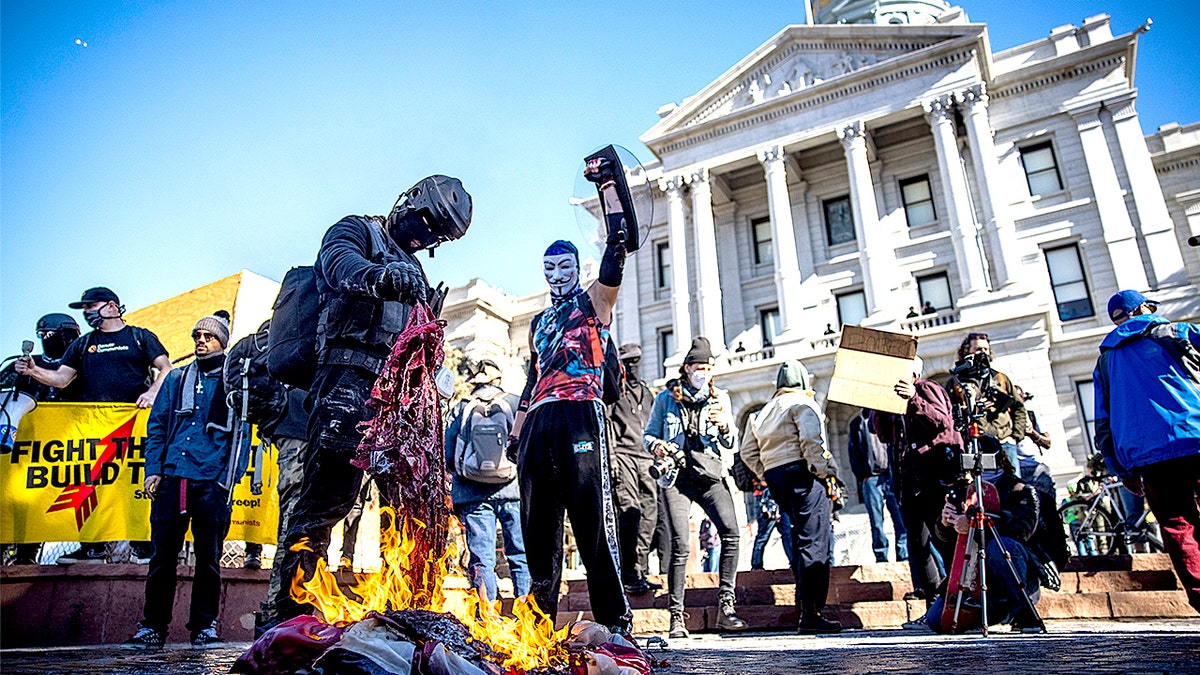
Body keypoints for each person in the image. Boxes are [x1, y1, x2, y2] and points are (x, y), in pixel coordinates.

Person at [273, 176, 472, 623]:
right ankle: (289, 619)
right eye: (426, 222)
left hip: (401, 401)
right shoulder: (357, 231)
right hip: (347, 384)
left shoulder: (417, 271)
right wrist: (377, 275)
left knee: (410, 515)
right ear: (410, 201)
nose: (426, 236)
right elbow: (338, 266)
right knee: (324, 504)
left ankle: (408, 619)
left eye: (438, 235)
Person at [509, 234, 633, 633]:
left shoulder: (593, 302)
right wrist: (517, 431)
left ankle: (616, 622)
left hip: (580, 410)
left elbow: (613, 268)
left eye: (565, 267)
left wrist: (613, 214)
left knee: (591, 517)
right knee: (537, 526)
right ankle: (538, 628)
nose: (557, 275)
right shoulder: (538, 322)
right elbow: (533, 378)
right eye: (549, 269)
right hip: (540, 421)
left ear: (578, 268)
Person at [16, 286, 172, 565]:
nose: (87, 313)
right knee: (91, 484)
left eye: (91, 306)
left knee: (133, 484)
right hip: (94, 428)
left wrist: (152, 393)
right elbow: (63, 379)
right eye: (84, 309)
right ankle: (92, 548)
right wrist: (33, 371)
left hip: (133, 426)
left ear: (112, 306)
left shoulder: (140, 337)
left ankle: (144, 548)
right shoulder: (82, 343)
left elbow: (166, 369)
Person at [126, 315, 239, 647]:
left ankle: (204, 627)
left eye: (209, 336)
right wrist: (153, 470)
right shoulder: (176, 379)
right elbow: (157, 426)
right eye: (197, 335)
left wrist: (225, 483)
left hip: (212, 481)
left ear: (223, 342)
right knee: (162, 558)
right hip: (174, 478)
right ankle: (153, 627)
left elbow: (241, 437)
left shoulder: (233, 382)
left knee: (208, 559)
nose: (201, 340)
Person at [1094, 289, 1200, 614]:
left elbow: (1104, 422)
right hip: (1195, 437)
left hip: (1147, 457)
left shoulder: (1105, 360)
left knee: (1177, 527)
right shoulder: (1176, 332)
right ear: (1142, 308)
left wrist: (1120, 469)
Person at [645, 337, 748, 638]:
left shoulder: (720, 399)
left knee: (731, 532)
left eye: (708, 368)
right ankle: (676, 616)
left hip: (709, 473)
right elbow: (649, 435)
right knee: (680, 544)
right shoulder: (666, 398)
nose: (703, 373)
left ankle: (726, 608)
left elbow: (731, 443)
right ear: (687, 368)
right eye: (698, 367)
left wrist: (725, 426)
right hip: (675, 477)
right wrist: (658, 446)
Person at [741, 360, 843, 633]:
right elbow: (812, 443)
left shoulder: (761, 413)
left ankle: (804, 609)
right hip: (803, 474)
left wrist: (765, 472)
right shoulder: (802, 403)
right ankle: (812, 613)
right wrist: (823, 471)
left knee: (798, 541)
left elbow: (747, 452)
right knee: (815, 542)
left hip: (777, 478)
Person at [871, 356, 960, 607]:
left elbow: (943, 422)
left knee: (942, 538)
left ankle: (958, 598)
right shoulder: (894, 400)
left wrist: (914, 398)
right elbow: (884, 435)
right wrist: (879, 406)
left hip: (932, 480)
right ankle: (932, 601)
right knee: (918, 544)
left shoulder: (927, 389)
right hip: (907, 483)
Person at [926, 448, 1042, 632]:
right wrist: (945, 524)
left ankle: (1023, 611)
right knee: (936, 620)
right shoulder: (964, 491)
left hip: (1012, 573)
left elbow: (1021, 532)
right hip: (975, 578)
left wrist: (975, 526)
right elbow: (946, 545)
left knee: (1000, 546)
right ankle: (982, 612)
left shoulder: (1020, 490)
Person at [0, 313, 82, 565]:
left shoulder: (83, 366)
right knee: (12, 502)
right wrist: (16, 376)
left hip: (61, 449)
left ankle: (27, 556)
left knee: (44, 502)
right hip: (18, 449)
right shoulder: (22, 364)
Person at [445, 359, 529, 604]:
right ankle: (525, 611)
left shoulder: (462, 406)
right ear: (498, 380)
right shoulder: (515, 403)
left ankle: (488, 616)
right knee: (520, 553)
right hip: (512, 489)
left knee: (481, 558)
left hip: (473, 494)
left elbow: (448, 451)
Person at [606, 343, 660, 594]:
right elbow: (607, 427)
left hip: (647, 459)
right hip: (624, 456)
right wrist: (613, 460)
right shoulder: (615, 393)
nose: (633, 366)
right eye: (629, 362)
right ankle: (628, 573)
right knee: (630, 513)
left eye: (637, 361)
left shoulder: (649, 393)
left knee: (650, 515)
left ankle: (640, 570)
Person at [945, 332, 1027, 475]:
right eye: (977, 349)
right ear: (966, 352)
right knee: (984, 491)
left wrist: (1015, 436)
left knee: (1013, 489)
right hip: (977, 444)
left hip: (1005, 442)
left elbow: (1018, 407)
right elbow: (948, 415)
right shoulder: (956, 383)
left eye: (985, 349)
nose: (982, 353)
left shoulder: (1001, 378)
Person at [848, 409, 907, 564]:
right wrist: (862, 476)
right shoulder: (857, 423)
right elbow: (853, 452)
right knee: (876, 521)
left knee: (900, 518)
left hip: (892, 475)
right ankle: (881, 556)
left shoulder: (888, 416)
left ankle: (903, 555)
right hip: (871, 478)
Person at [749, 483, 793, 571]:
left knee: (787, 533)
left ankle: (794, 562)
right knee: (763, 535)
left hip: (781, 498)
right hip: (766, 499)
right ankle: (756, 565)